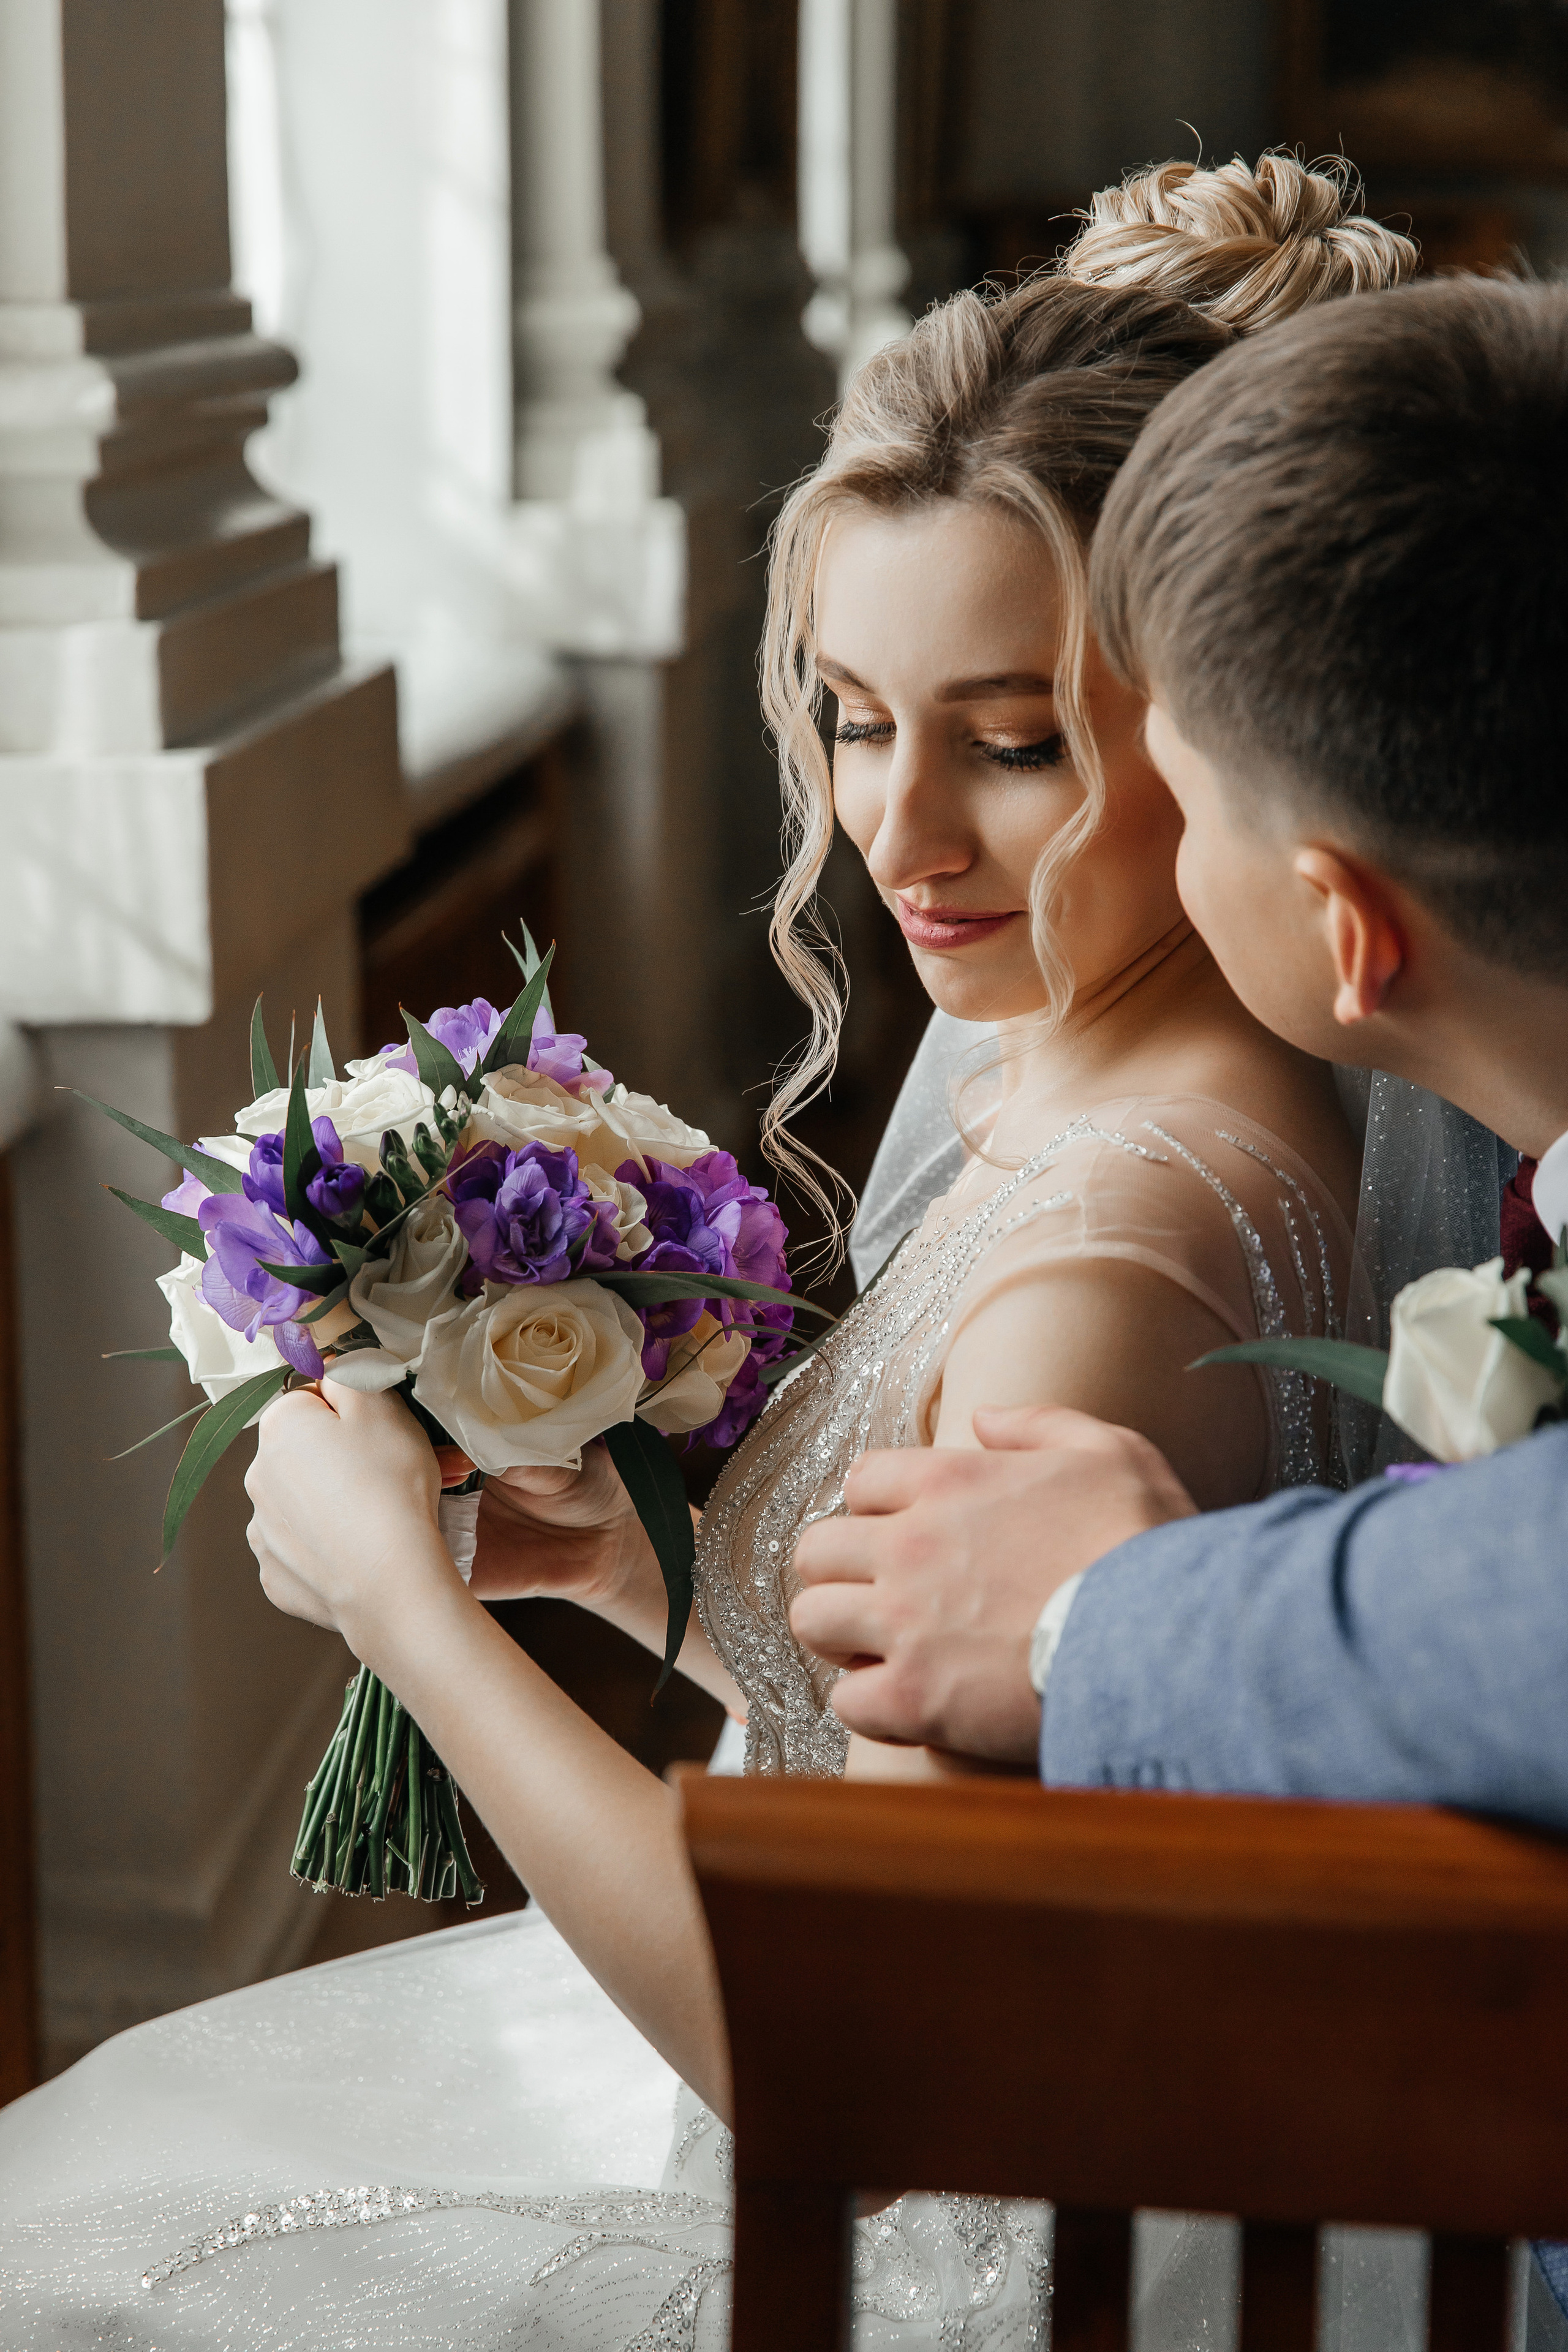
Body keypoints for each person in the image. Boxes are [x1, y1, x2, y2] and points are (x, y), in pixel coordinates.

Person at [0, 158, 1415, 2350]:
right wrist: (613, 1575)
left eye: (1016, 745)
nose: (900, 834)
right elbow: (1013, 1720)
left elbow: (872, 2052)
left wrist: (403, 1617)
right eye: (855, 715)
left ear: (1225, 711)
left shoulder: (1101, 1276)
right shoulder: (1124, 1076)